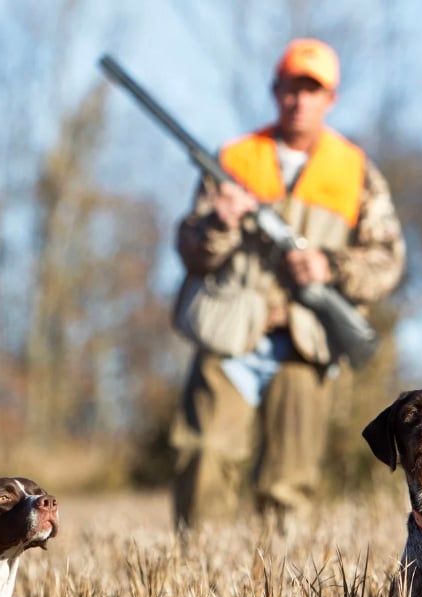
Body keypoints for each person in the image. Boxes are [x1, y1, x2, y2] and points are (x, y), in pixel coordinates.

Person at [169, 38, 405, 532]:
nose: (299, 100)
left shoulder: (355, 170)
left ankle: (280, 587)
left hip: (306, 336)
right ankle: (201, 572)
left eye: (311, 90)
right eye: (290, 88)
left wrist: (330, 267)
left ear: (330, 99)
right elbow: (190, 251)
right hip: (232, 329)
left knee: (289, 483)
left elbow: (388, 261)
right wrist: (218, 223)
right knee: (204, 457)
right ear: (274, 91)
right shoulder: (234, 158)